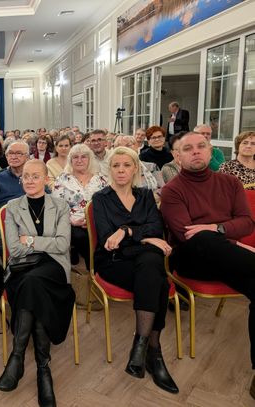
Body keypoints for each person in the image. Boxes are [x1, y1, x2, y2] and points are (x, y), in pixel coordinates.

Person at [160, 132, 255, 400]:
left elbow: (247, 223)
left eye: (201, 146)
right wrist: (236, 244)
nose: (196, 151)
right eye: (187, 148)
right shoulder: (172, 190)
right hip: (192, 259)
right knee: (200, 237)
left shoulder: (230, 182)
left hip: (228, 258)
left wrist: (216, 227)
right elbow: (186, 234)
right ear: (177, 157)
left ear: (210, 151)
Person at [92, 146, 179, 394]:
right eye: (116, 165)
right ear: (109, 170)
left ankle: (142, 347)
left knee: (151, 267)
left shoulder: (145, 195)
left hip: (143, 260)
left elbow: (157, 228)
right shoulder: (101, 198)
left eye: (126, 165)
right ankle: (154, 352)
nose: (121, 170)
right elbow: (108, 240)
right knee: (157, 277)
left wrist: (127, 231)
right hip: (114, 261)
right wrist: (145, 237)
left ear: (135, 169)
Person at [0, 160, 75, 407]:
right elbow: (15, 249)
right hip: (23, 267)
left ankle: (17, 357)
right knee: (34, 285)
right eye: (26, 176)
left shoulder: (60, 206)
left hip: (54, 266)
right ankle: (43, 367)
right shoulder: (13, 207)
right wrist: (43, 242)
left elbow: (62, 245)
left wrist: (30, 239)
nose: (29, 181)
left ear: (46, 179)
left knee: (33, 284)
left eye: (35, 176)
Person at [53, 144, 107, 270]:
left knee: (105, 234)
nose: (79, 160)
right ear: (70, 160)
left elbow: (107, 204)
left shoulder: (101, 179)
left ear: (90, 159)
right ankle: (92, 267)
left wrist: (94, 220)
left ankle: (100, 267)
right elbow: (56, 205)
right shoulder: (63, 179)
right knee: (81, 236)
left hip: (97, 220)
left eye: (83, 157)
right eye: (75, 157)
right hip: (72, 220)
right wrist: (71, 220)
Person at [0, 141, 28, 252]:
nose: (14, 156)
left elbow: (47, 199)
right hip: (5, 225)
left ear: (27, 157)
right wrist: (6, 222)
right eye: (10, 153)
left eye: (18, 153)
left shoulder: (34, 177)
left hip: (30, 224)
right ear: (6, 156)